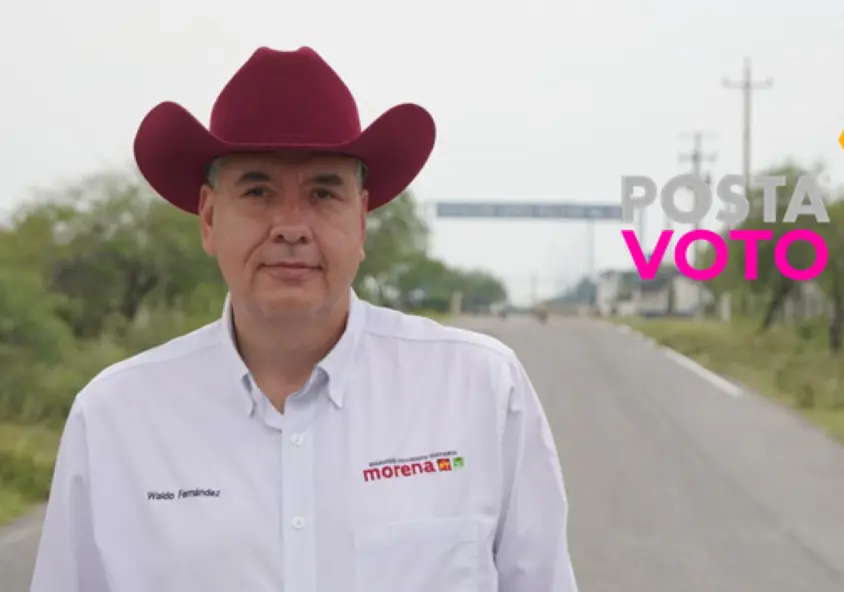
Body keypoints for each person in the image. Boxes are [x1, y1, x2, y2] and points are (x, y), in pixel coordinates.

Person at [30, 46, 579, 592]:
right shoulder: (116, 417)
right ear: (209, 217)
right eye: (258, 190)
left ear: (361, 221)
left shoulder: (479, 387)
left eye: (323, 192)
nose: (291, 227)